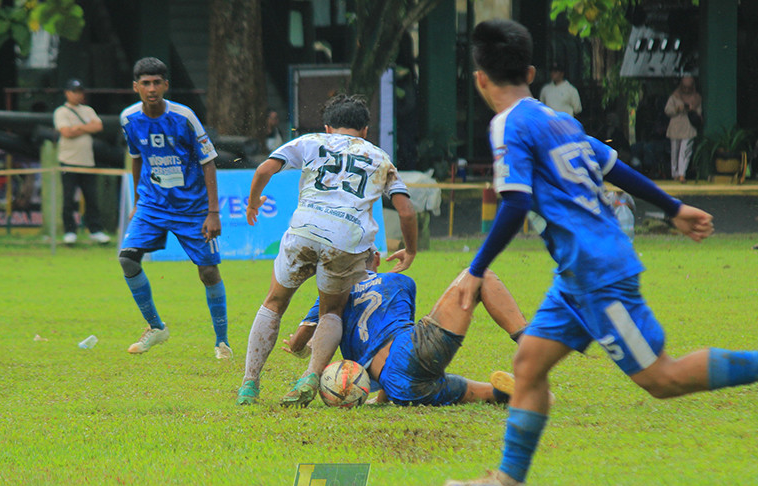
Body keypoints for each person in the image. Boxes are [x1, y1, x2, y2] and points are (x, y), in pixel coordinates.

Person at [443, 18, 758, 486]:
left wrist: (475, 269)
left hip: (596, 270)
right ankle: (508, 481)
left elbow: (516, 200)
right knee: (528, 365)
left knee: (661, 379)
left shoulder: (509, 124)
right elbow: (613, 166)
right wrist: (674, 207)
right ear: (532, 71)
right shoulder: (556, 118)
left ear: (480, 79)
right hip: (576, 273)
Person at [238, 94, 418, 406]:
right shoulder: (380, 157)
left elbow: (264, 170)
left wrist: (254, 202)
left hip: (304, 230)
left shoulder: (310, 141)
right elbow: (406, 211)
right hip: (346, 239)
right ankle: (311, 375)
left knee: (274, 303)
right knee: (331, 311)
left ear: (327, 126)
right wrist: (410, 250)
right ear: (364, 130)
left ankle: (249, 385)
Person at [282, 251, 528, 407]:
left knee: (480, 393)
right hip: (411, 354)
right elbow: (400, 340)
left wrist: (296, 346)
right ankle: (530, 343)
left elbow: (302, 340)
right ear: (376, 259)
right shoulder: (400, 281)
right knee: (480, 276)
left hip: (400, 388)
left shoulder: (332, 295)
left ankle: (515, 395)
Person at [118, 57, 231, 360]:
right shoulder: (129, 119)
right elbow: (137, 157)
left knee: (208, 271)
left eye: (157, 83)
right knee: (128, 260)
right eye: (145, 83)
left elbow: (208, 162)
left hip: (192, 208)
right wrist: (138, 200)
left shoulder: (184, 117)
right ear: (136, 87)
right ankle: (156, 327)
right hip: (152, 204)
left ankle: (222, 343)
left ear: (166, 86)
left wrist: (213, 212)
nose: (151, 89)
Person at [53, 79, 111, 245]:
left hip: (87, 162)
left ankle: (96, 230)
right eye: (74, 91)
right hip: (68, 162)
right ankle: (70, 231)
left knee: (91, 198)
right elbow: (66, 132)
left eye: (80, 91)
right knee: (68, 198)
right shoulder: (61, 111)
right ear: (67, 93)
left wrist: (77, 128)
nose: (77, 95)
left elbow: (98, 126)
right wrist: (86, 127)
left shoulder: (88, 110)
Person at [664, 75, 702, 183]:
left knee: (685, 151)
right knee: (675, 150)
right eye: (684, 87)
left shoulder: (697, 98)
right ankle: (674, 173)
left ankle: (682, 174)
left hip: (688, 126)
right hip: (676, 125)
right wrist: (677, 108)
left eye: (688, 87)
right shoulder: (674, 97)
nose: (686, 90)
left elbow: (699, 114)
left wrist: (692, 109)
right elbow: (667, 110)